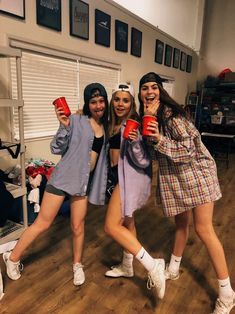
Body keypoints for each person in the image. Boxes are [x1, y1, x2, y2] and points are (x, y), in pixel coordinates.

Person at [138, 72, 235, 313]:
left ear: (161, 91)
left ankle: (227, 293)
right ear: (139, 93)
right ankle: (173, 268)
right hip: (175, 179)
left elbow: (189, 151)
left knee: (204, 229)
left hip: (197, 174)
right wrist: (147, 125)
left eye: (154, 87)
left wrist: (158, 137)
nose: (150, 92)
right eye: (144, 88)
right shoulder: (150, 117)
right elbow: (151, 154)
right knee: (181, 224)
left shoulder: (171, 115)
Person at [3, 83, 109, 286]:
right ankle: (13, 257)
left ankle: (77, 265)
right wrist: (64, 125)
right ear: (88, 103)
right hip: (62, 179)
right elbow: (55, 147)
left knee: (78, 226)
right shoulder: (76, 120)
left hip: (83, 184)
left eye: (101, 101)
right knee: (43, 223)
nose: (98, 105)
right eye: (93, 101)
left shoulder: (105, 125)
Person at [104, 83, 166, 299]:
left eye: (126, 100)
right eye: (117, 99)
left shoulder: (137, 124)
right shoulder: (115, 123)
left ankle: (152, 265)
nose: (120, 104)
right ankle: (127, 265)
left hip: (131, 180)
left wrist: (133, 142)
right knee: (128, 222)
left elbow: (143, 161)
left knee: (111, 226)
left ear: (132, 103)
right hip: (123, 177)